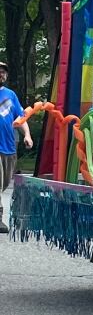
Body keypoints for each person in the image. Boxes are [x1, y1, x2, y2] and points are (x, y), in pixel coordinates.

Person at [0, 61, 31, 234]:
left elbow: (21, 117)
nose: (1, 74)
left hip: (9, 148)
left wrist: (27, 135)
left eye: (4, 72)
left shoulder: (10, 95)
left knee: (4, 184)